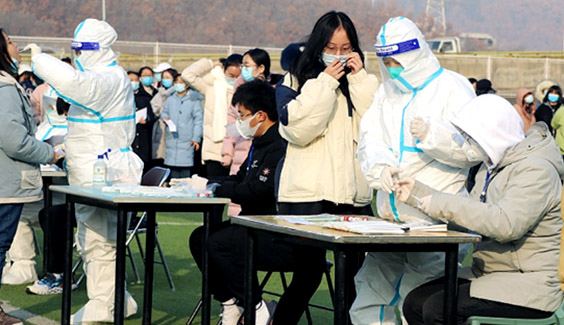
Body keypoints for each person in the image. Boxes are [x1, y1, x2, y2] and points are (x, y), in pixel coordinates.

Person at [350, 16, 477, 324]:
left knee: (418, 302)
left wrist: (434, 136)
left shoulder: (452, 88)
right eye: (385, 61)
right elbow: (370, 139)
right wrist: (378, 168)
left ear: (413, 54)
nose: (391, 67)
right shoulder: (386, 93)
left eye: (395, 60)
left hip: (434, 226)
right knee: (370, 292)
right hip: (389, 224)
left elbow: (474, 149)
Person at [395, 94, 563, 324]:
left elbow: (505, 225)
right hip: (490, 275)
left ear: (491, 135)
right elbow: (473, 220)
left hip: (528, 285)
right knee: (414, 302)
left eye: (470, 137)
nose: (467, 144)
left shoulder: (536, 170)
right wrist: (420, 196)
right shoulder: (491, 168)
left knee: (437, 309)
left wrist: (440, 202)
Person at [30, 18, 144, 323]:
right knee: (91, 238)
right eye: (74, 50)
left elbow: (75, 85)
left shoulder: (109, 78)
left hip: (104, 172)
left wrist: (39, 60)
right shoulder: (102, 76)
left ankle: (103, 303)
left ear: (100, 48)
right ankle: (115, 298)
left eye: (83, 50)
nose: (78, 56)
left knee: (99, 239)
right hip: (88, 172)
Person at [275, 11, 379, 324]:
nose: (338, 55)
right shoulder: (294, 79)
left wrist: (360, 81)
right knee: (306, 278)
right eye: (331, 48)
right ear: (318, 45)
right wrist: (325, 83)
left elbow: (374, 127)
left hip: (350, 194)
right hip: (307, 195)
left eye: (345, 48)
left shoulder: (361, 82)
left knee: (354, 281)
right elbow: (297, 130)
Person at [189, 80, 285, 325]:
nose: (238, 121)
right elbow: (239, 179)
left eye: (242, 115)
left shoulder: (278, 145)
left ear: (260, 115)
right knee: (200, 238)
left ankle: (256, 307)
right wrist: (205, 181)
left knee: (219, 242)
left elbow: (258, 191)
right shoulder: (258, 143)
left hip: (272, 229)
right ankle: (231, 303)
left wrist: (217, 187)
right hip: (251, 224)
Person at [0, 28, 59, 324]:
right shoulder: (5, 88)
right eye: (10, 42)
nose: (17, 46)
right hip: (6, 183)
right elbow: (13, 139)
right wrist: (49, 153)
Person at [222, 48, 271, 216]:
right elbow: (231, 122)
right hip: (242, 147)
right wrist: (227, 152)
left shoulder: (272, 90)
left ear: (261, 67)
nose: (243, 69)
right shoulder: (239, 88)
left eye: (247, 65)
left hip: (259, 147)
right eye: (242, 65)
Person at [182, 53, 243, 177]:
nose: (234, 79)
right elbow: (187, 75)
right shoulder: (211, 87)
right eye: (231, 75)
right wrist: (210, 64)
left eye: (238, 76)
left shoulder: (245, 90)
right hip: (214, 150)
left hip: (238, 149)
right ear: (223, 71)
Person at [160, 74, 204, 178]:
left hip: (187, 140)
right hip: (172, 138)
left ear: (187, 85)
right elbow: (164, 112)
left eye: (181, 82)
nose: (178, 84)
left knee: (185, 170)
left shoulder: (193, 100)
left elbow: (198, 120)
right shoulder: (170, 99)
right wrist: (165, 118)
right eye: (176, 82)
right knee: (172, 170)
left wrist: (196, 138)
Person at [151, 68, 178, 168]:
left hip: (173, 127)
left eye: (168, 78)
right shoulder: (159, 94)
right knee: (159, 154)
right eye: (163, 78)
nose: (165, 80)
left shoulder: (176, 94)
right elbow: (153, 108)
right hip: (160, 128)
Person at [134, 66, 158, 174]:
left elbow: (151, 116)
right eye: (144, 75)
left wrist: (147, 119)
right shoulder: (138, 96)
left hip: (150, 131)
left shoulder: (157, 93)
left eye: (149, 75)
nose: (147, 78)